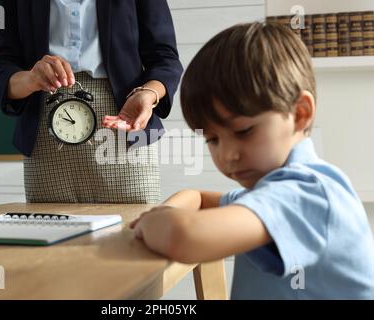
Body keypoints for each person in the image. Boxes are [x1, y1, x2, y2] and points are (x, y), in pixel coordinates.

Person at [130, 22, 374, 299]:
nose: (226, 155)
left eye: (244, 131)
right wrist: (162, 215)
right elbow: (196, 197)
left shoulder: (308, 192)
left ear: (301, 114)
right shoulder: (267, 192)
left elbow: (184, 238)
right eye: (213, 139)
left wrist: (150, 223)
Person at [0, 0, 182, 204]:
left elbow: (165, 58)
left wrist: (149, 94)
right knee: (50, 229)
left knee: (134, 229)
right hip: (45, 132)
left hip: (125, 126)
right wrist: (32, 78)